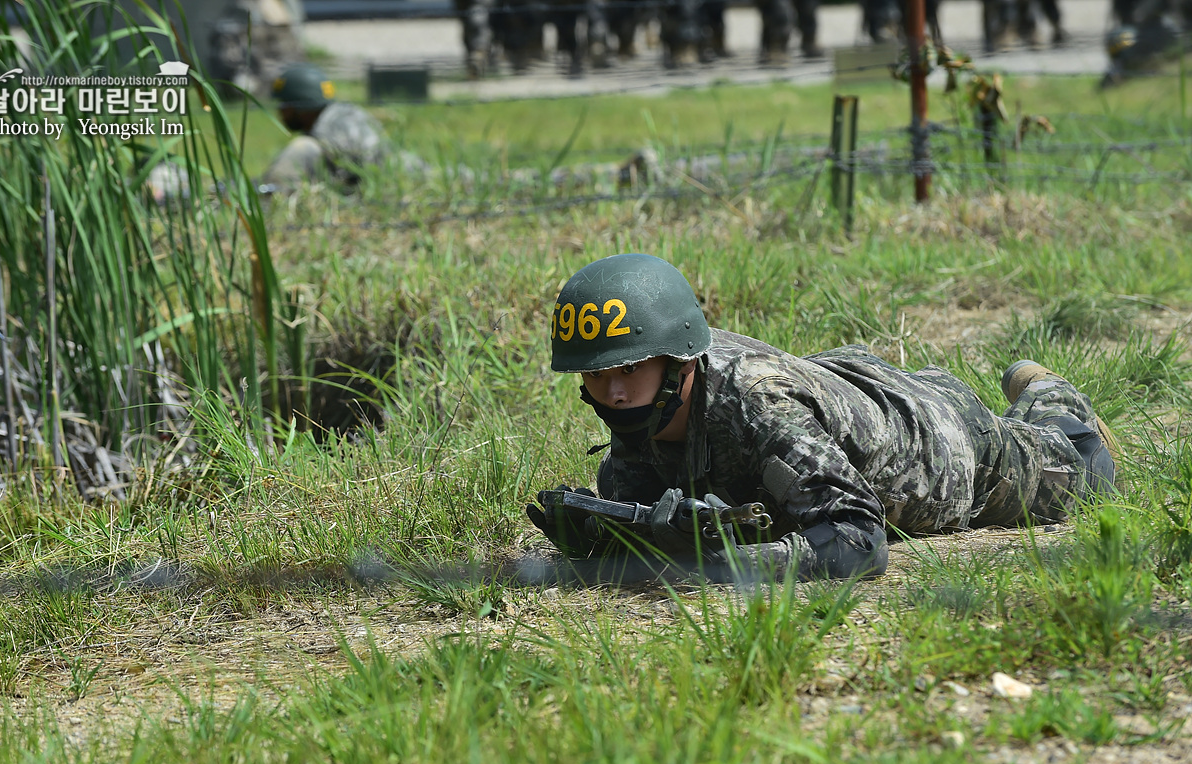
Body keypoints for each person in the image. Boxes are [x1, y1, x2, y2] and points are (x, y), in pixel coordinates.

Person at [526, 253, 1119, 582]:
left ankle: (1051, 396)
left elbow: (859, 540)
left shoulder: (757, 405)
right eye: (597, 377)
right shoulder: (645, 418)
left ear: (679, 362)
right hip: (846, 391)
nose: (613, 393)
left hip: (946, 448)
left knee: (1086, 470)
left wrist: (728, 565)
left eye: (628, 370)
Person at [259, 63, 390, 191]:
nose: (280, 112)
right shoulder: (352, 114)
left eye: (284, 104)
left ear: (301, 105)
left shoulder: (323, 136)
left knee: (302, 147)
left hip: (360, 198)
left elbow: (271, 191)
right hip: (385, 189)